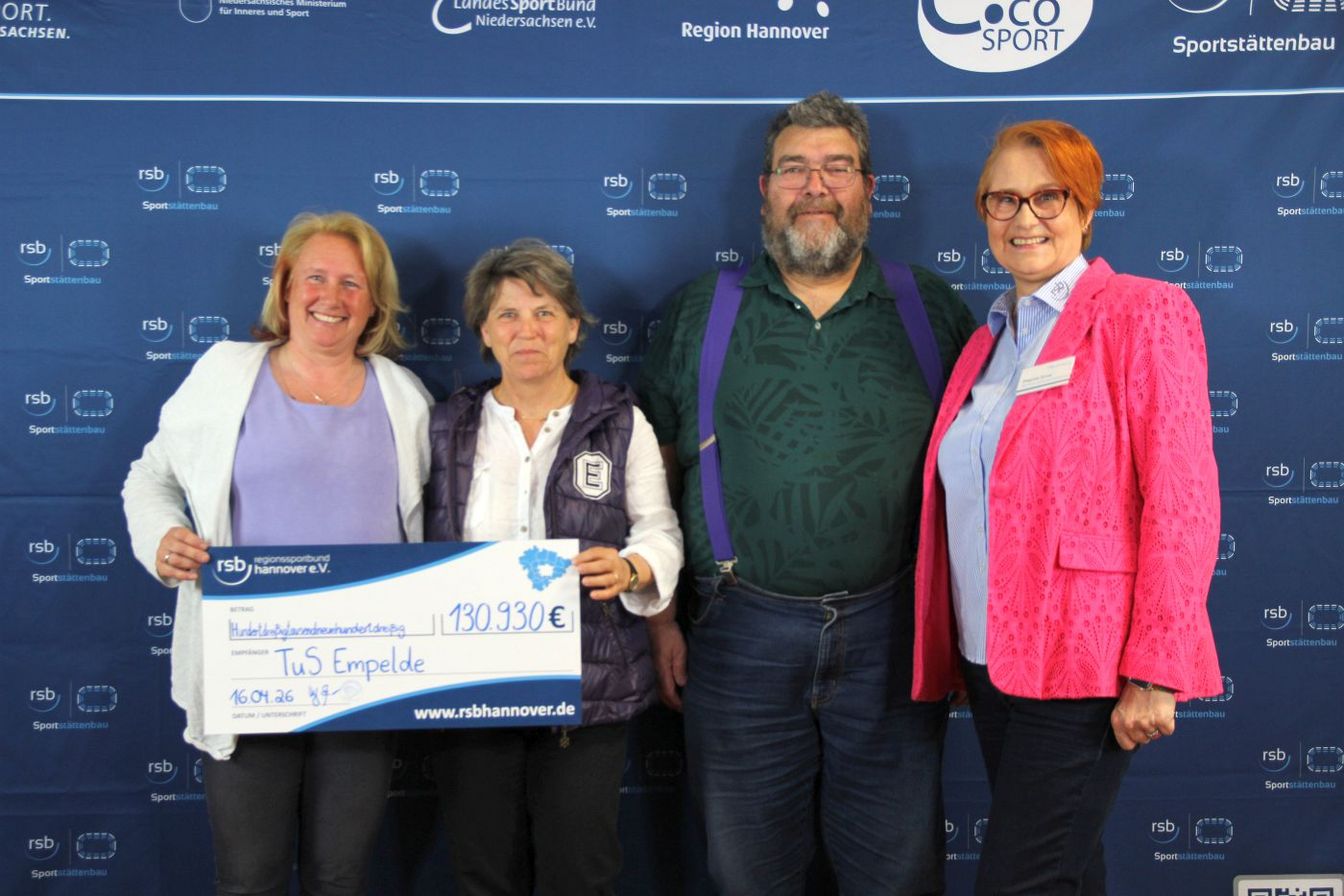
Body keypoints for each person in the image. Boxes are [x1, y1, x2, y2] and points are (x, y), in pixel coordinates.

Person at [637, 91, 976, 895]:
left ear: (869, 188)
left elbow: (986, 476)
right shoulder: (698, 312)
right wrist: (661, 624)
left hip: (896, 636)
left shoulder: (931, 309)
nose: (815, 186)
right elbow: (652, 478)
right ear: (764, 190)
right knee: (747, 877)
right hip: (738, 637)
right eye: (794, 168)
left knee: (898, 879)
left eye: (837, 168)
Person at [911, 120, 1223, 895]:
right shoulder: (986, 342)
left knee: (1022, 881)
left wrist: (1157, 668)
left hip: (1087, 662)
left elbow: (1183, 499)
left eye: (1047, 197)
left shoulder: (1141, 311)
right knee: (1068, 875)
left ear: (1085, 209)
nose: (1024, 218)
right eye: (1003, 199)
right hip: (992, 659)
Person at [122, 211, 433, 896]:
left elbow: (437, 521)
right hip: (247, 669)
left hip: (363, 672)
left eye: (352, 283)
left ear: (374, 303)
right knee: (250, 877)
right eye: (315, 277)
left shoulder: (404, 396)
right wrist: (162, 536)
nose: (331, 297)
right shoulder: (225, 374)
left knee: (340, 876)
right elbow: (150, 477)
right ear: (286, 287)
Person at [424, 238, 683, 896]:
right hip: (470, 685)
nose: (527, 330)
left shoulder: (622, 422)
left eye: (544, 313)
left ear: (573, 326)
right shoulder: (447, 426)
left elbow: (659, 528)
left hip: (586, 687)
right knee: (483, 872)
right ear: (485, 331)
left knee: (580, 873)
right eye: (507, 315)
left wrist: (632, 569)